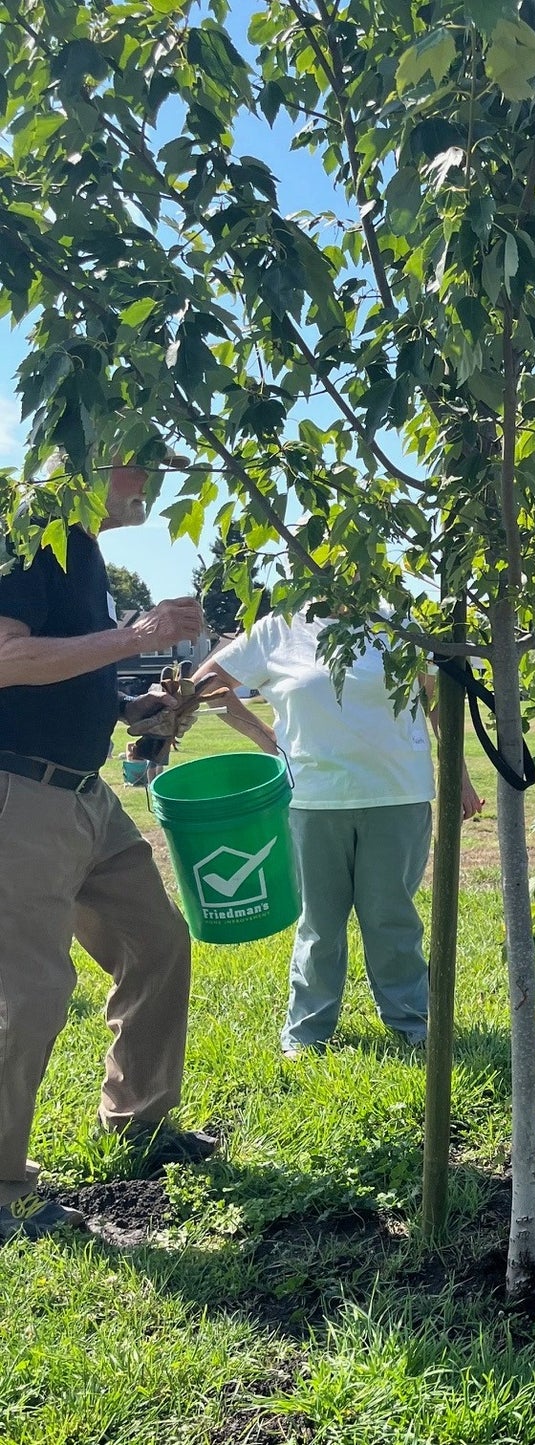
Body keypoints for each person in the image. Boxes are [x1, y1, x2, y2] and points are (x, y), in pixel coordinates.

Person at [0, 457, 216, 1242]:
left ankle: (139, 1124)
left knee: (157, 941)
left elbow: (72, 673)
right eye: (141, 466)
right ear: (94, 462)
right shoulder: (28, 534)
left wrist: (138, 705)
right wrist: (139, 633)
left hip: (87, 798)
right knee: (25, 994)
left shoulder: (85, 552)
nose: (152, 485)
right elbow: (7, 659)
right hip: (19, 796)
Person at [195, 612, 483, 1059]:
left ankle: (413, 1022)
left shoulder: (400, 621)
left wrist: (459, 777)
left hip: (397, 794)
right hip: (312, 799)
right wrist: (267, 738)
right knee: (319, 923)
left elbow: (437, 700)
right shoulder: (277, 628)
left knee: (392, 918)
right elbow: (204, 685)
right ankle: (307, 1032)